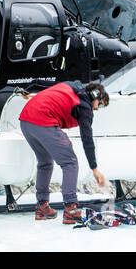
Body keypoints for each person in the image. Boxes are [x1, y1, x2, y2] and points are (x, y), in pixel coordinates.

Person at [18, 81, 109, 223]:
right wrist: (94, 168)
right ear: (95, 96)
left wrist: (28, 90)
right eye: (101, 104)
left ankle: (42, 207)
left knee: (45, 162)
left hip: (25, 120)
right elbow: (87, 139)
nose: (97, 109)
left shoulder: (71, 86)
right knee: (70, 162)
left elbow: (46, 84)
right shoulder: (84, 107)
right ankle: (70, 209)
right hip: (43, 120)